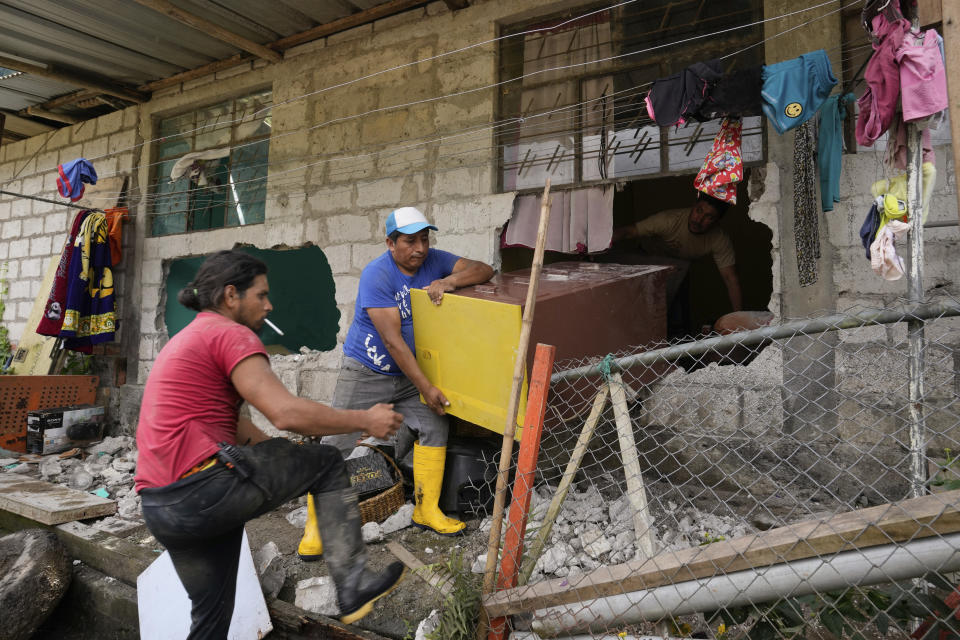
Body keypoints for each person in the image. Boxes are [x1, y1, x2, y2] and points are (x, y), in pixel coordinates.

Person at [134, 250, 406, 639]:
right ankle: (353, 584)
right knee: (328, 462)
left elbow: (238, 427)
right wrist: (365, 419)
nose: (269, 304)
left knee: (211, 620)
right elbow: (285, 411)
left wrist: (288, 459)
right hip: (204, 490)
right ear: (231, 295)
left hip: (164, 508)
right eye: (261, 295)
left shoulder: (189, 337)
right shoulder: (229, 333)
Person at [307, 206, 494, 547]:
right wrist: (427, 387)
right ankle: (316, 526)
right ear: (390, 243)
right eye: (410, 241)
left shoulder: (434, 261)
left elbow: (485, 269)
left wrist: (449, 280)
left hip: (408, 375)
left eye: (424, 239)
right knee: (338, 441)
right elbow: (393, 342)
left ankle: (426, 510)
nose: (420, 248)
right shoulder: (376, 275)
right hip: (367, 370)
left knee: (435, 426)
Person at [612, 192, 742, 313]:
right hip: (648, 265)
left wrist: (739, 319)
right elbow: (628, 232)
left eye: (709, 217)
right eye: (699, 210)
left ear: (717, 221)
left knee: (678, 314)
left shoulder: (719, 239)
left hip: (680, 272)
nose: (698, 220)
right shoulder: (669, 220)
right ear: (693, 205)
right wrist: (595, 246)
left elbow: (730, 279)